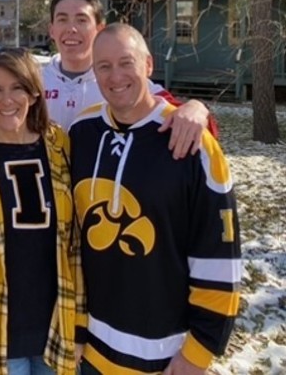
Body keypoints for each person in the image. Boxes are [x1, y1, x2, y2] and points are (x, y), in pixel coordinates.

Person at [70, 23, 240, 374]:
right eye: (103, 66)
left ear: (149, 65)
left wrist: (200, 350)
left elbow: (220, 258)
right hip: (90, 351)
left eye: (126, 62)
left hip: (166, 356)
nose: (115, 76)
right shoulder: (81, 133)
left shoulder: (192, 142)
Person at [0, 0, 213, 159]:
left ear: (99, 28)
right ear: (51, 30)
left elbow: (188, 120)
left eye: (81, 20)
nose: (71, 29)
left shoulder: (120, 83)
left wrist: (197, 109)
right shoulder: (35, 80)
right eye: (62, 20)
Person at [0, 49, 80, 375]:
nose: (7, 99)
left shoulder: (60, 147)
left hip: (57, 329)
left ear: (34, 93)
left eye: (17, 88)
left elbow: (76, 245)